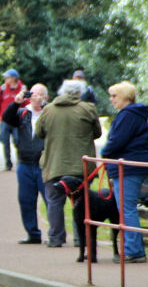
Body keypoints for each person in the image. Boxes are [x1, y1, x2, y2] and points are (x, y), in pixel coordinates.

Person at [36, 79, 102, 247]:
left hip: (54, 164)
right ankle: (80, 238)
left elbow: (38, 132)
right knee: (82, 202)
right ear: (80, 93)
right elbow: (97, 133)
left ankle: (56, 238)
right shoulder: (88, 109)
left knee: (54, 202)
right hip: (82, 166)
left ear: (61, 91)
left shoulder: (48, 110)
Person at [99, 81, 148, 263]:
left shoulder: (128, 115)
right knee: (126, 208)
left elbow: (117, 141)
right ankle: (133, 248)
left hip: (128, 166)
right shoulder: (133, 114)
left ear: (125, 97)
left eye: (114, 96)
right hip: (131, 165)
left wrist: (104, 152)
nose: (111, 99)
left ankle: (134, 250)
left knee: (126, 209)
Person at [2, 83, 49, 244]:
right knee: (26, 200)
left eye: (39, 94)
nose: (35, 98)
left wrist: (44, 105)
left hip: (44, 164)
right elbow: (6, 118)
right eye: (32, 94)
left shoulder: (49, 113)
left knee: (50, 200)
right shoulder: (22, 113)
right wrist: (16, 102)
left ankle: (55, 234)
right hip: (25, 164)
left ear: (46, 97)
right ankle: (33, 234)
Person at [0, 69, 27, 171]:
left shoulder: (22, 88)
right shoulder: (2, 88)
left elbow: (26, 104)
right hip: (4, 120)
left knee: (17, 141)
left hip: (17, 120)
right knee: (5, 142)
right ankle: (8, 164)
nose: (5, 79)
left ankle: (20, 162)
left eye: (7, 77)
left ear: (13, 78)